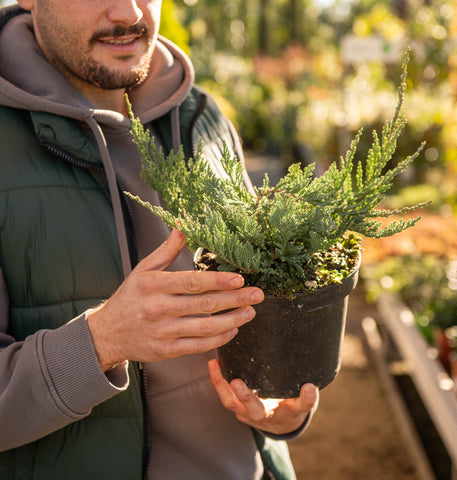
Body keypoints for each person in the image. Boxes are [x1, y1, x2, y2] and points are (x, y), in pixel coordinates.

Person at [0, 1, 319, 478]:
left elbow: (263, 302)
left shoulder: (203, 116)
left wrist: (277, 399)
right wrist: (102, 340)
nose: (129, 11)